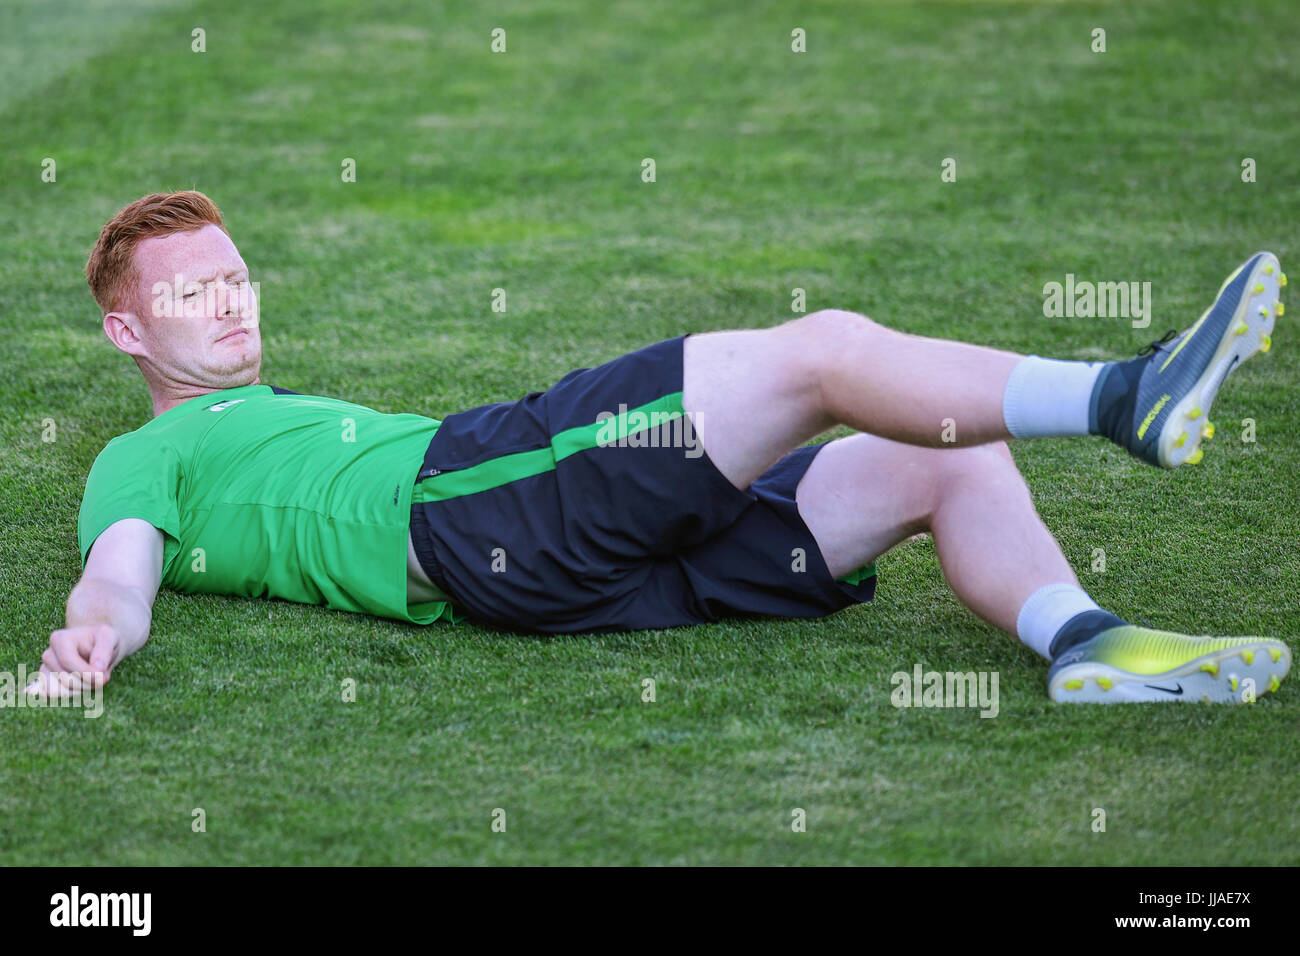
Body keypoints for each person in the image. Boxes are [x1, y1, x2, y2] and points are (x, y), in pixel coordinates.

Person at [28, 190, 1290, 705]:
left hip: (552, 570)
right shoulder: (145, 453)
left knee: (943, 463)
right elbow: (121, 565)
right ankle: (1126, 391)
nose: (234, 303)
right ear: (124, 329)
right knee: (817, 354)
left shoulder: (257, 416)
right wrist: (97, 632)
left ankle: (1085, 643)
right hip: (476, 495)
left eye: (238, 276)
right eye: (195, 294)